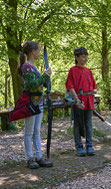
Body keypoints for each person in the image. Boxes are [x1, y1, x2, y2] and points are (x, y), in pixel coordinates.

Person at [18, 41, 53, 169]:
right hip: (30, 103)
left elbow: (39, 84)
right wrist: (45, 76)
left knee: (37, 131)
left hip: (39, 102)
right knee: (29, 132)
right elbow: (33, 85)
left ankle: (39, 157)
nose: (39, 53)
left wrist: (46, 80)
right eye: (38, 50)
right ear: (33, 51)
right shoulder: (27, 66)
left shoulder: (34, 67)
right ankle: (30, 158)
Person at [66, 47, 97, 156]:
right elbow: (70, 86)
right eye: (83, 56)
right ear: (76, 57)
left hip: (88, 100)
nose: (85, 58)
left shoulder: (88, 71)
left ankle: (89, 146)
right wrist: (76, 99)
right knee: (77, 124)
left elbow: (93, 87)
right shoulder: (72, 70)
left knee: (88, 124)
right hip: (78, 100)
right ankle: (79, 146)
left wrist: (94, 101)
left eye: (86, 56)